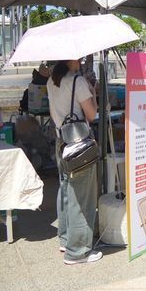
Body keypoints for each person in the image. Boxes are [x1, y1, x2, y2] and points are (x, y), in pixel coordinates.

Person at [47, 59, 101, 265]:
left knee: (66, 189)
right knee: (82, 196)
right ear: (71, 58)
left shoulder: (52, 80)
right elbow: (92, 114)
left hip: (61, 141)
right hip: (79, 144)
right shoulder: (77, 81)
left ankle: (66, 238)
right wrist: (92, 91)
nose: (81, 60)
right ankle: (77, 251)